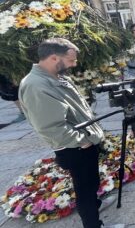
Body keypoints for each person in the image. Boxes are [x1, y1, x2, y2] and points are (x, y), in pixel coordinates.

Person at [18, 38, 123, 228]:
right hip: (75, 148)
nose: (74, 64)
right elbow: (50, 127)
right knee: (84, 189)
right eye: (71, 60)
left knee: (91, 183)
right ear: (52, 58)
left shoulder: (55, 76)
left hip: (82, 143)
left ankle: (95, 204)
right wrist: (84, 142)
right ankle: (93, 224)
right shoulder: (36, 85)